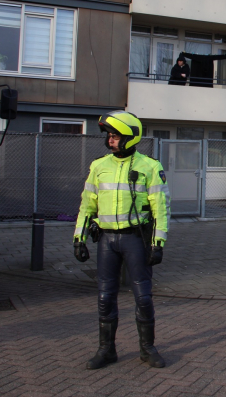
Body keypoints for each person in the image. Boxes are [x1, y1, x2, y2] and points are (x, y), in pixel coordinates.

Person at [73, 111, 170, 370]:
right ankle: (106, 350)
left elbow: (161, 208)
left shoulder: (149, 166)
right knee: (105, 297)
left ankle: (147, 349)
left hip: (135, 239)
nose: (110, 140)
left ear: (129, 138)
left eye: (115, 136)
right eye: (109, 136)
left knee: (143, 297)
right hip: (106, 240)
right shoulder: (99, 166)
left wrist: (157, 244)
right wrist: (79, 238)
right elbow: (87, 205)